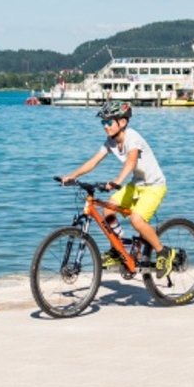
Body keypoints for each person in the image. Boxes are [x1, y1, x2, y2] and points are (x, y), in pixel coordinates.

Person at [56, 101, 170, 269]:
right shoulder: (111, 141)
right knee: (108, 209)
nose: (105, 126)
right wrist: (71, 176)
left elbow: (130, 162)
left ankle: (163, 252)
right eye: (103, 122)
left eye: (109, 122)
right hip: (137, 184)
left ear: (122, 122)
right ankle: (119, 248)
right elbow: (94, 161)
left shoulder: (133, 138)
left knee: (136, 220)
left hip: (154, 186)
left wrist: (117, 181)